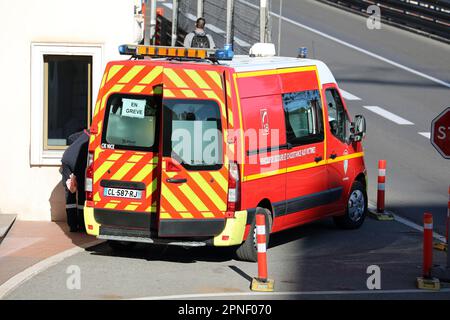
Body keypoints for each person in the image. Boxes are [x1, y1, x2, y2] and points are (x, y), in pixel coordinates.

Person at [60, 129, 90, 232]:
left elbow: (71, 138)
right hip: (78, 162)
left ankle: (72, 225)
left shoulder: (86, 132)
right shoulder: (96, 137)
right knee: (82, 191)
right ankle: (82, 225)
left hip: (66, 159)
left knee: (70, 192)